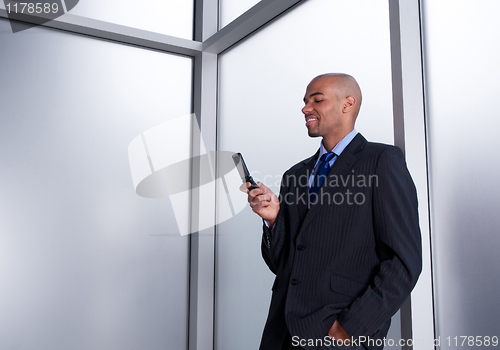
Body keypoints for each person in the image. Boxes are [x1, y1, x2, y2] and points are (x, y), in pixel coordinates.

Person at [246, 73, 422, 350]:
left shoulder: (381, 161)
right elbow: (282, 265)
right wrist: (274, 221)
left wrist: (350, 328)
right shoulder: (295, 174)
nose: (305, 108)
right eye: (305, 101)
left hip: (338, 336)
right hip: (282, 334)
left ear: (347, 104)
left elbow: (403, 262)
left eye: (317, 100)